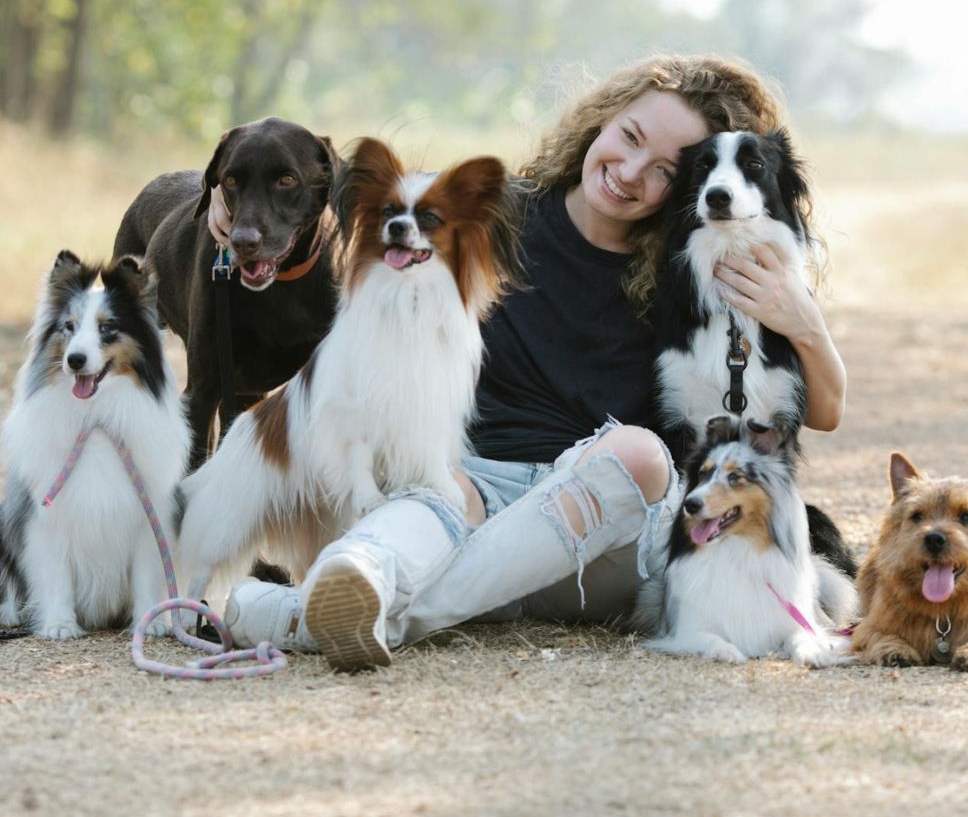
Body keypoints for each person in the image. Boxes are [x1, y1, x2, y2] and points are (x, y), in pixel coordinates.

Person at [207, 53, 846, 670]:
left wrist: (805, 322)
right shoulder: (492, 217)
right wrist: (223, 211)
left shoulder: (687, 276)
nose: (630, 170)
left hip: (601, 531)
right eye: (628, 137)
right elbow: (354, 201)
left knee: (640, 455)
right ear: (602, 119)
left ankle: (308, 615)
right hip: (473, 492)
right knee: (433, 487)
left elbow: (822, 410)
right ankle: (358, 582)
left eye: (662, 170)